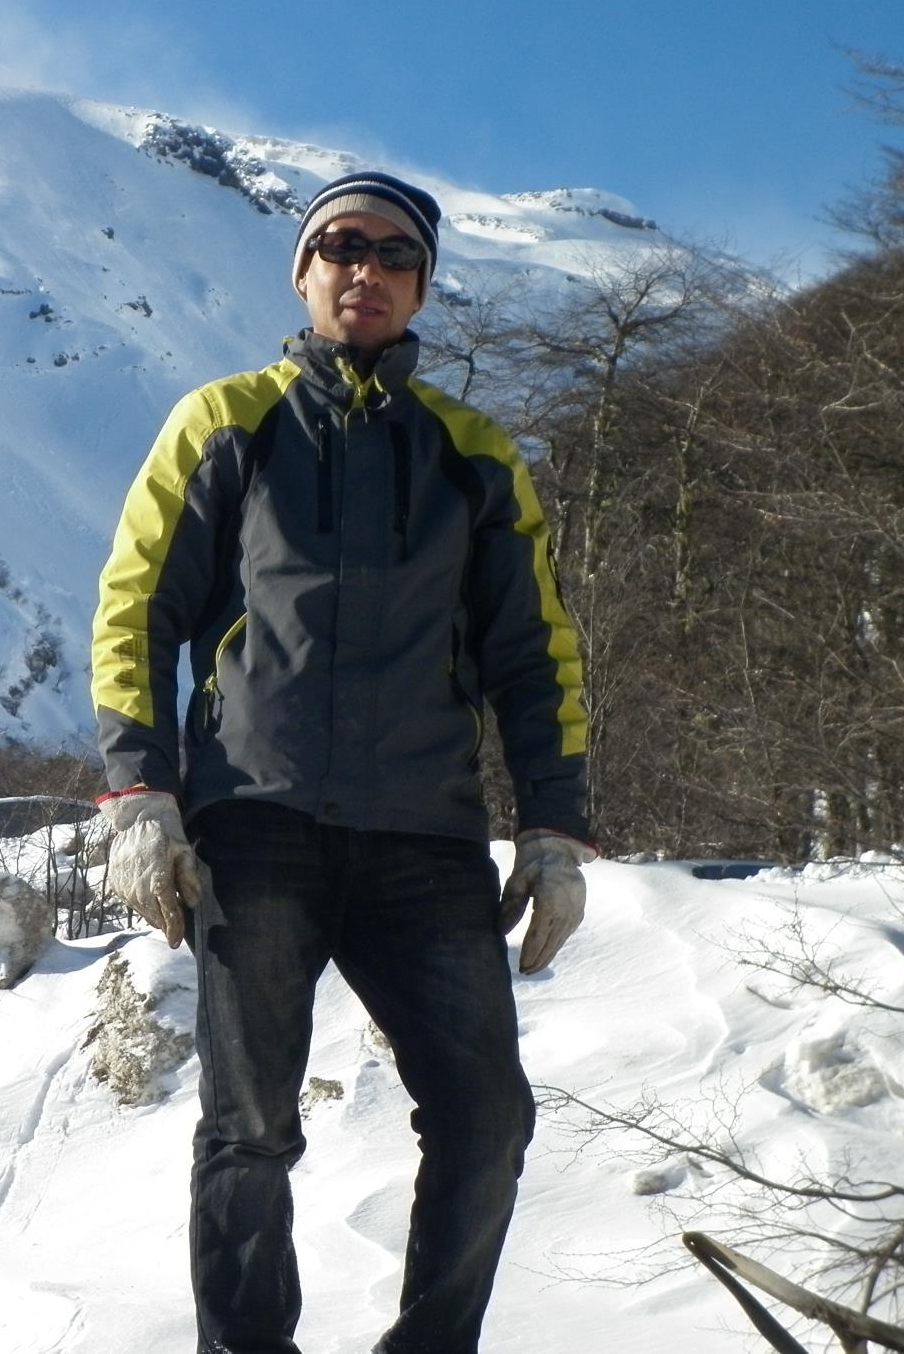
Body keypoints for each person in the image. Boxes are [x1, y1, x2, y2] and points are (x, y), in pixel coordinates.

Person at [90, 169, 596, 1354]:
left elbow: (537, 650)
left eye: (393, 255)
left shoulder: (472, 450)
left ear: (422, 285)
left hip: (425, 840)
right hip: (256, 826)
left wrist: (556, 829)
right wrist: (138, 790)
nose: (364, 270)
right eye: (340, 247)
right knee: (249, 1127)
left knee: (486, 1121)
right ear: (302, 272)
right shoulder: (224, 423)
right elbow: (135, 611)